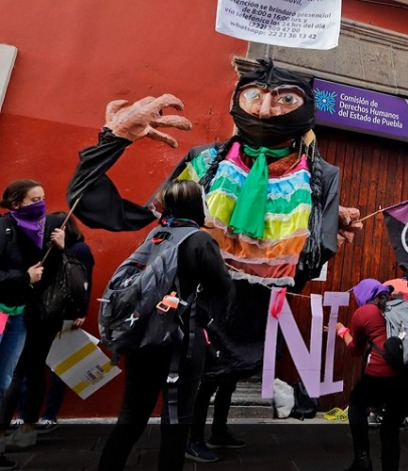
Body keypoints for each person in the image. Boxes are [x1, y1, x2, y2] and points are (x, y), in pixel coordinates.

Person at [66, 60, 360, 462]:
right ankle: (189, 441)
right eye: (255, 97)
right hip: (189, 312)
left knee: (189, 395)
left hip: (254, 309)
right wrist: (112, 139)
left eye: (284, 100)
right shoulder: (206, 162)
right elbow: (117, 214)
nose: (265, 110)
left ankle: (205, 434)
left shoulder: (319, 175)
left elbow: (316, 250)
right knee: (177, 407)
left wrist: (319, 223)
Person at [97, 180, 233, 471]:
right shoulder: (200, 240)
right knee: (177, 421)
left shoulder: (156, 235)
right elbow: (223, 289)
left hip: (142, 336)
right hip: (182, 343)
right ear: (197, 205)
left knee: (131, 418)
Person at [0, 181, 68, 459]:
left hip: (33, 312)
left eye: (43, 198)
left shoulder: (41, 231)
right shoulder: (5, 229)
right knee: (9, 375)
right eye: (33, 199)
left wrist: (59, 251)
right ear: (16, 203)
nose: (40, 204)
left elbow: (48, 278)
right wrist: (23, 277)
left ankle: (23, 429)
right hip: (8, 311)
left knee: (23, 371)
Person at [14, 213, 94, 434]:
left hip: (63, 314)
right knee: (28, 367)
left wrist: (81, 310)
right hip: (42, 313)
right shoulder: (42, 249)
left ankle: (49, 414)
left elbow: (83, 281)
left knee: (59, 367)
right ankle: (25, 415)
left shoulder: (78, 250)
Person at [336, 279, 408, 471]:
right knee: (390, 431)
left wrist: (341, 331)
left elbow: (355, 350)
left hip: (381, 375)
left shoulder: (364, 312)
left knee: (356, 405)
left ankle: (362, 458)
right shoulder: (404, 303)